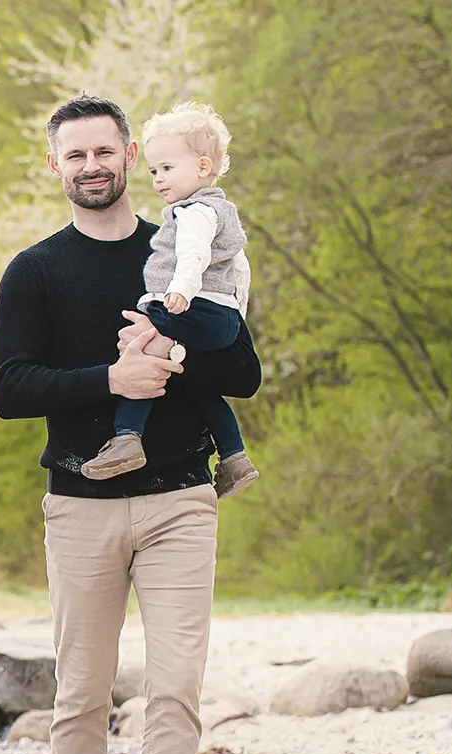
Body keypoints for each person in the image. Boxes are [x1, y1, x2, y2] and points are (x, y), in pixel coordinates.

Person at [0, 96, 262, 754]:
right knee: (79, 691)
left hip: (180, 498)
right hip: (78, 502)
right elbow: (9, 388)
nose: (91, 166)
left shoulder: (184, 244)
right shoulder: (34, 270)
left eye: (104, 151)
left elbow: (242, 370)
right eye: (74, 156)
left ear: (131, 153)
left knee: (175, 688)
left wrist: (169, 355)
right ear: (55, 167)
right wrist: (111, 379)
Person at [79, 102, 259, 498]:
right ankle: (234, 456)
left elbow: (193, 255)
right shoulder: (222, 211)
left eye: (168, 169)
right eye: (154, 171)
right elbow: (240, 271)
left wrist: (177, 295)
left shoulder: (194, 213)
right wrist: (236, 317)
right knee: (202, 389)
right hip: (220, 314)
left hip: (192, 305)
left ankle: (127, 436)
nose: (159, 179)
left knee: (143, 350)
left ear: (202, 166)